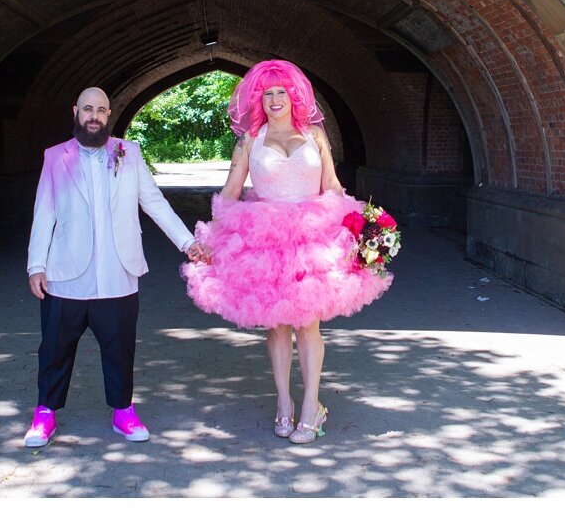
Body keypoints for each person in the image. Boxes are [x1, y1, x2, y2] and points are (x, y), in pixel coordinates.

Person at [182, 60, 391, 444]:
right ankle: (283, 403)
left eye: (281, 92)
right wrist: (210, 236)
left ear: (294, 96)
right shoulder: (250, 141)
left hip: (311, 237)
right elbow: (230, 192)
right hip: (266, 241)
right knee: (277, 326)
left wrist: (363, 225)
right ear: (257, 99)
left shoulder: (315, 136)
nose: (275, 99)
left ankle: (312, 405)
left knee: (308, 324)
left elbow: (331, 185)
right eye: (267, 93)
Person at [24, 87, 209, 448]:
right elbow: (43, 212)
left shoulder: (129, 152)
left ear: (109, 115)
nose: (94, 116)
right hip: (65, 276)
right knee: (55, 348)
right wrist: (36, 265)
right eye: (87, 109)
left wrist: (188, 243)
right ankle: (45, 413)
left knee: (120, 348)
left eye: (101, 110)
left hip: (118, 273)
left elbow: (154, 203)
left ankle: (123, 411)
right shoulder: (54, 157)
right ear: (75, 111)